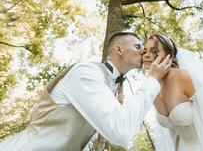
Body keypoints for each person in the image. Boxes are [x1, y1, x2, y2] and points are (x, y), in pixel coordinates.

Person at [0, 31, 172, 151]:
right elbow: (119, 131)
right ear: (119, 50)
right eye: (137, 46)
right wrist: (153, 80)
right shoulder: (86, 73)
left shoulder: (110, 89)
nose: (143, 51)